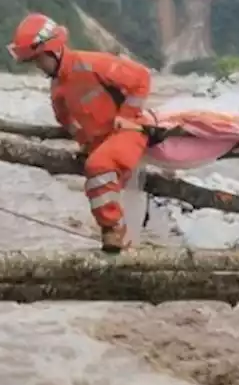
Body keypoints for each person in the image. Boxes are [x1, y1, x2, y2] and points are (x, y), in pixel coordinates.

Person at [8, 13, 151, 252]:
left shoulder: (93, 63)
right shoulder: (57, 89)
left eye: (38, 60)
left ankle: (112, 229)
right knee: (98, 166)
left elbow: (141, 78)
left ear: (52, 50)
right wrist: (85, 143)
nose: (38, 66)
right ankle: (123, 241)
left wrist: (126, 116)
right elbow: (67, 120)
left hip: (129, 132)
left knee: (99, 165)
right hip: (102, 142)